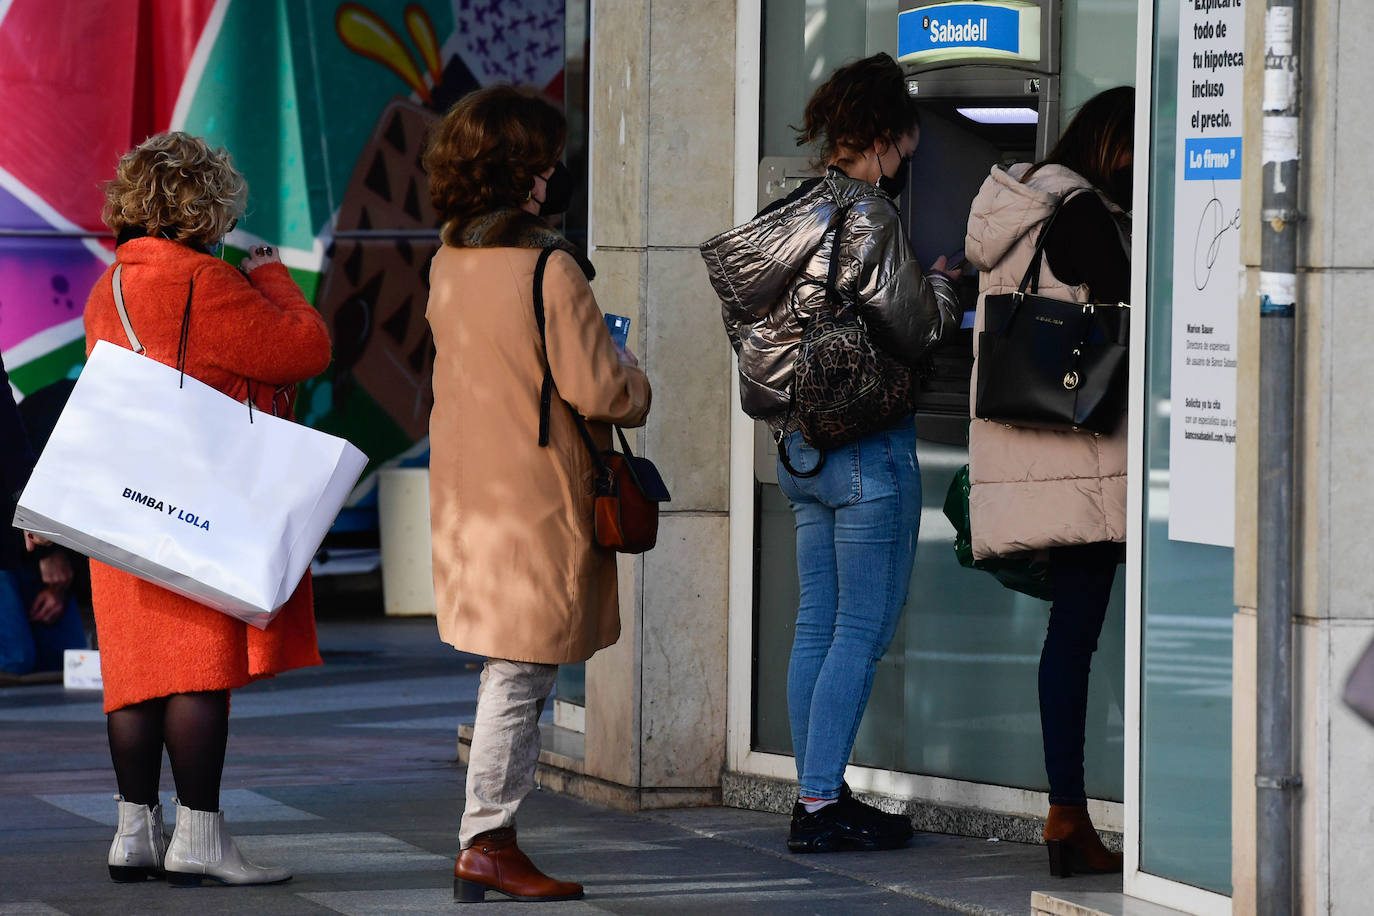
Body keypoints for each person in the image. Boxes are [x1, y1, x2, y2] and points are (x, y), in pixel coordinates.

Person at [700, 53, 960, 854]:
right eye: (908, 150)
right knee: (862, 628)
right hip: (864, 448)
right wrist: (945, 284)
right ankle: (818, 805)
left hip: (801, 447)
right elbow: (915, 326)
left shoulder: (794, 210)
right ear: (883, 138)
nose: (908, 165)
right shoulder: (869, 215)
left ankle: (819, 788)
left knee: (817, 621)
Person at [83, 131, 331, 886]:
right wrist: (274, 277)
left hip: (118, 499)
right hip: (195, 502)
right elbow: (304, 350)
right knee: (195, 671)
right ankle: (200, 837)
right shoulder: (206, 283)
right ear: (204, 206)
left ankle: (133, 831)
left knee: (133, 673)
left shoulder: (112, 285)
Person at [422, 85, 651, 903]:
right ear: (521, 168)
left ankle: (491, 837)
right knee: (519, 673)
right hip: (536, 493)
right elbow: (599, 389)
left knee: (510, 664)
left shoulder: (451, 259)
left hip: (469, 495)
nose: (554, 173)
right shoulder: (549, 265)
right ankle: (485, 838)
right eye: (544, 158)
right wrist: (636, 377)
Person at [963, 86, 1135, 876]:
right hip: (1080, 462)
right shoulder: (1083, 214)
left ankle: (1070, 811)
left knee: (1069, 633)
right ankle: (1068, 811)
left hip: (1033, 455)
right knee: (1077, 635)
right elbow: (1129, 316)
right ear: (1112, 144)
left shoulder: (1024, 206)